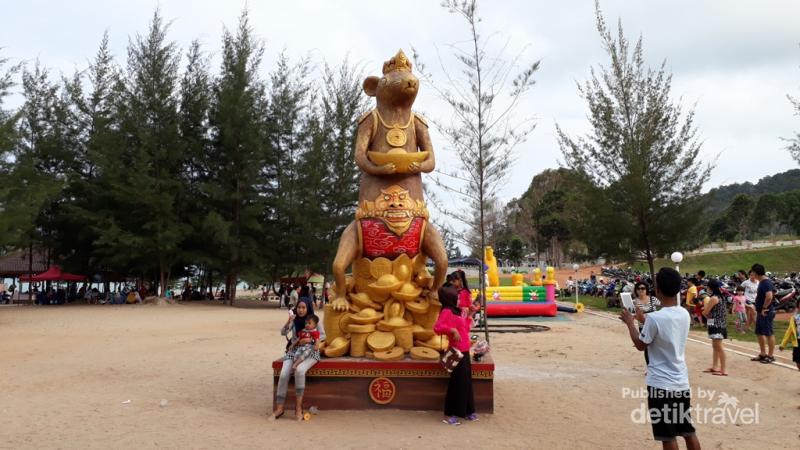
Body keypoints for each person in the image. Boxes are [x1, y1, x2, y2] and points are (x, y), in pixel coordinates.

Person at [619, 268, 700, 450]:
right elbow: (664, 327)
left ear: (658, 290)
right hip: (681, 381)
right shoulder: (684, 314)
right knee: (687, 430)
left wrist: (631, 323)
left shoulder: (655, 319)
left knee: (667, 435)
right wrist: (644, 319)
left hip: (661, 385)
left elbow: (641, 344)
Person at [270, 298, 325, 421]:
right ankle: (280, 408)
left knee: (300, 371)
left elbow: (323, 335)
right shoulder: (294, 320)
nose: (300, 310)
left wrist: (310, 340)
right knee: (284, 374)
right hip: (294, 351)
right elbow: (283, 333)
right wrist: (288, 321)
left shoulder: (315, 319)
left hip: (311, 352)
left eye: (303, 307)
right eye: (299, 307)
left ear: (308, 308)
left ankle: (298, 407)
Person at [433, 286, 477, 425]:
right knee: (457, 383)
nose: (459, 300)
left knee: (466, 382)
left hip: (465, 350)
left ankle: (468, 411)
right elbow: (437, 328)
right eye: (457, 298)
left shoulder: (457, 311)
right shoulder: (446, 311)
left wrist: (470, 316)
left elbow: (466, 328)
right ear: (449, 298)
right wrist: (451, 330)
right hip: (457, 351)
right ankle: (450, 415)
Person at [751, 263, 776, 364]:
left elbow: (769, 296)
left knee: (768, 333)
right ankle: (762, 354)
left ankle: (770, 356)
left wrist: (764, 308)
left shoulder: (766, 282)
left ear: (756, 273)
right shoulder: (761, 282)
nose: (751, 273)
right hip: (761, 312)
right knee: (759, 332)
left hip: (766, 312)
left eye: (752, 272)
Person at [702, 280, 728, 376]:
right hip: (718, 323)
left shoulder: (713, 298)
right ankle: (715, 366)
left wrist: (704, 309)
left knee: (718, 347)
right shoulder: (721, 297)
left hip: (716, 324)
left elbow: (705, 312)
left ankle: (723, 369)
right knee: (715, 346)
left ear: (710, 287)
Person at [632, 281, 660, 365]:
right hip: (643, 327)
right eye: (638, 289)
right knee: (646, 348)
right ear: (636, 290)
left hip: (654, 326)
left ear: (646, 290)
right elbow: (631, 313)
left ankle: (657, 364)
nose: (641, 290)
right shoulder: (634, 302)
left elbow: (662, 306)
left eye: (643, 288)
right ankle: (649, 366)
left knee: (656, 346)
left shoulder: (653, 299)